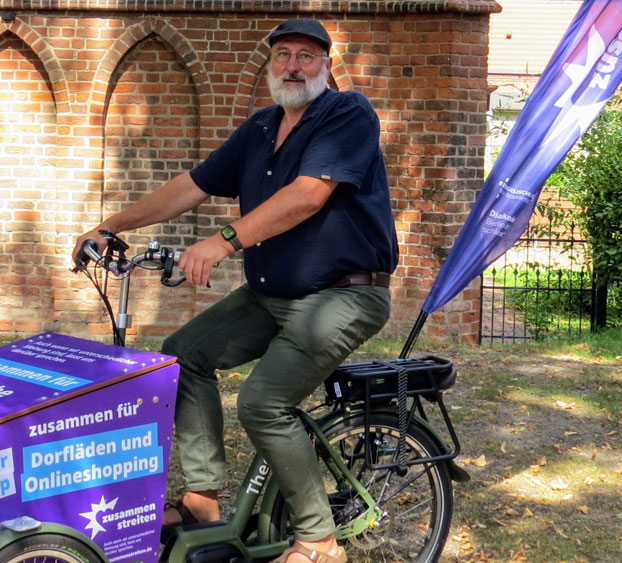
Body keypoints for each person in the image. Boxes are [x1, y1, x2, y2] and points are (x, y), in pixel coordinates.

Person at [72, 18, 397, 563]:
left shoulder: (347, 113)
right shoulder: (261, 128)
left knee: (264, 402)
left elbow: (308, 195)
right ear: (271, 65)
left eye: (306, 56)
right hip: (273, 295)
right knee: (183, 356)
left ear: (326, 65)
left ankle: (319, 540)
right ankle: (202, 501)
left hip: (344, 295)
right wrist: (112, 225)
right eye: (283, 55)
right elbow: (190, 186)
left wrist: (223, 241)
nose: (293, 65)